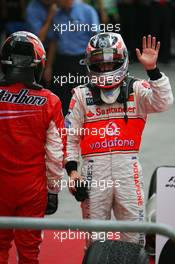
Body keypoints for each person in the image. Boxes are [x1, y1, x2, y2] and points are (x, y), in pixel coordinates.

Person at [64, 32, 174, 249]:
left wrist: (153, 71)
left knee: (134, 237)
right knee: (95, 240)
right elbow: (71, 137)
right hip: (94, 172)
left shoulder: (137, 88)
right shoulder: (80, 95)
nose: (105, 70)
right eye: (100, 65)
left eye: (110, 64)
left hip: (128, 169)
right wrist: (72, 171)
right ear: (89, 64)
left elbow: (164, 103)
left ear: (121, 60)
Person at [0, 31, 64, 263]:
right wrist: (53, 191)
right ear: (39, 63)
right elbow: (56, 154)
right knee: (29, 252)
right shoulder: (50, 101)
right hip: (33, 189)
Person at [51, 0, 100, 116]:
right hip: (62, 60)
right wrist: (48, 67)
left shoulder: (87, 11)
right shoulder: (57, 14)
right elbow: (54, 40)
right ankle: (64, 127)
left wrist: (94, 65)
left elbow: (95, 39)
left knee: (82, 94)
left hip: (82, 60)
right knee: (62, 96)